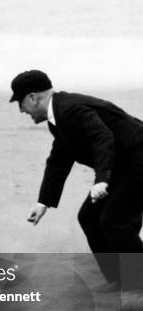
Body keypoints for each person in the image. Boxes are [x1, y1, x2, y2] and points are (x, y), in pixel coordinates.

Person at [10, 69, 143, 293]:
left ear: (33, 97)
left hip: (137, 164)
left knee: (114, 221)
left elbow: (102, 137)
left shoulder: (69, 110)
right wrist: (44, 202)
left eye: (20, 102)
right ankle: (120, 279)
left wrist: (102, 180)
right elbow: (59, 159)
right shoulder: (58, 116)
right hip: (126, 167)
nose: (21, 110)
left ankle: (139, 285)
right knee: (90, 217)